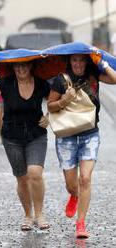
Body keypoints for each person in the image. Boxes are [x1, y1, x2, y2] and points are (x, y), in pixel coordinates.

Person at [47, 54, 116, 238]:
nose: (78, 64)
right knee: (72, 184)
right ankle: (74, 195)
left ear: (87, 62)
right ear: (69, 62)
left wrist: (103, 63)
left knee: (85, 179)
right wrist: (64, 100)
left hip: (90, 134)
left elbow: (115, 79)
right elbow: (50, 106)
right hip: (66, 137)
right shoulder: (61, 80)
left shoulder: (94, 75)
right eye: (74, 60)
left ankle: (81, 224)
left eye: (81, 60)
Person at [0, 60, 50, 231]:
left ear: (31, 66)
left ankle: (39, 214)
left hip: (36, 135)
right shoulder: (6, 82)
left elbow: (56, 98)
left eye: (24, 65)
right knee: (22, 178)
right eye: (17, 66)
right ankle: (28, 215)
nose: (21, 69)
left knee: (35, 172)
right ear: (13, 68)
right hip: (12, 137)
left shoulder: (40, 83)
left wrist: (49, 115)